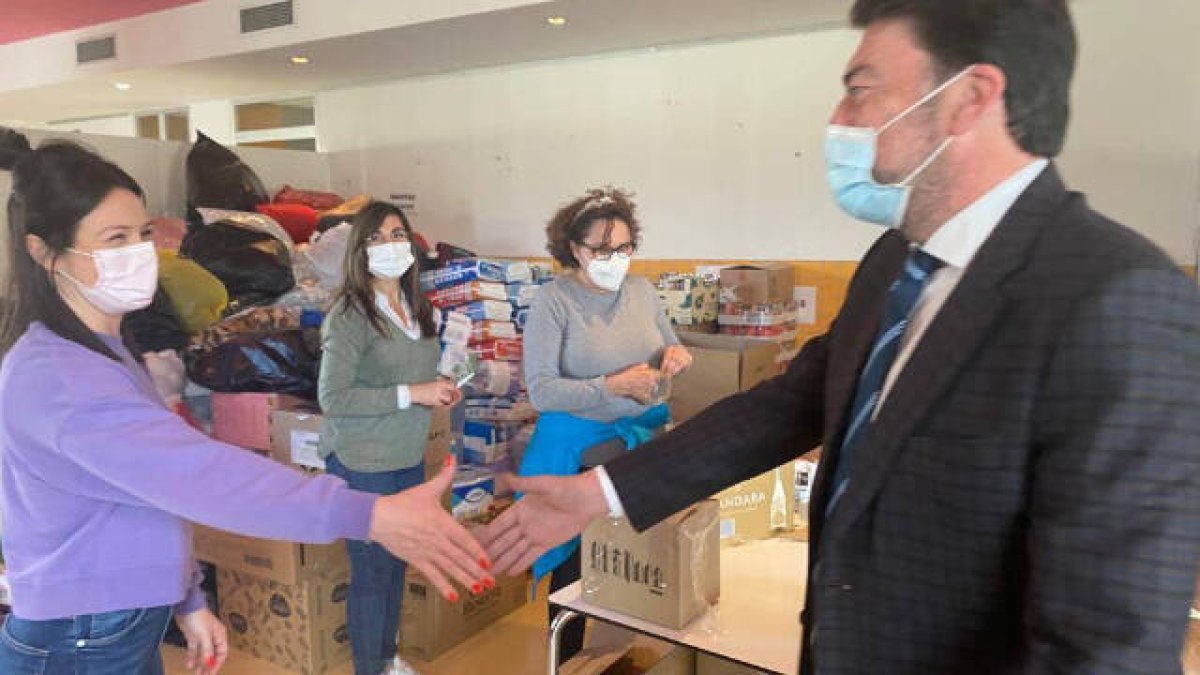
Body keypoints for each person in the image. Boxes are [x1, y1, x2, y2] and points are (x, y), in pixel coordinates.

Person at [480, 1, 1200, 673]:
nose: (840, 117)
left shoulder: (1117, 298)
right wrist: (599, 492)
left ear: (971, 96)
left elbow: (1109, 639)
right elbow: (788, 404)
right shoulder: (894, 262)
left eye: (861, 88)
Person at [0, 142, 493, 675]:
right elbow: (195, 474)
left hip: (115, 620)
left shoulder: (102, 349)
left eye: (143, 234)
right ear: (44, 252)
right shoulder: (57, 376)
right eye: (115, 239)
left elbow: (147, 494)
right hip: (79, 635)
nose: (140, 252)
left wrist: (186, 598)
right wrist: (367, 513)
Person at [520, 187, 692, 663]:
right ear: (575, 249)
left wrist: (673, 358)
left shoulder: (640, 290)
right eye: (601, 249)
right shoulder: (554, 301)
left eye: (623, 248)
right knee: (575, 563)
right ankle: (566, 658)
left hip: (638, 445)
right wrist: (610, 386)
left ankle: (617, 655)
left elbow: (666, 346)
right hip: (579, 453)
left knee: (626, 557)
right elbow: (542, 390)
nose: (614, 259)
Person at [318, 200, 464, 675]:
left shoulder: (415, 308)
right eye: (376, 238)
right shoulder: (350, 312)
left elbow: (413, 379)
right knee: (373, 572)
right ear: (359, 251)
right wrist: (413, 392)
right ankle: (370, 668)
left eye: (397, 234)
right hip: (362, 460)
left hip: (405, 454)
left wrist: (440, 388)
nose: (389, 245)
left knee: (399, 560)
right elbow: (334, 397)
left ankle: (386, 659)